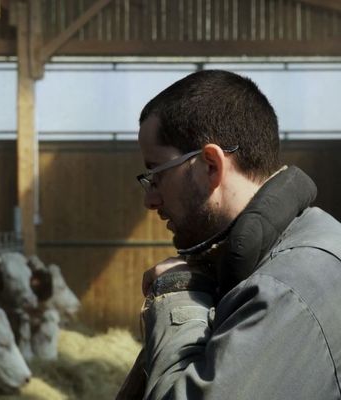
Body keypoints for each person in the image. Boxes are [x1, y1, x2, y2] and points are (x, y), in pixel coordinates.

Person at [116, 69, 341, 399]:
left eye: (156, 175)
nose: (150, 200)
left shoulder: (286, 287)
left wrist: (178, 296)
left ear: (210, 165)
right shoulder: (292, 249)